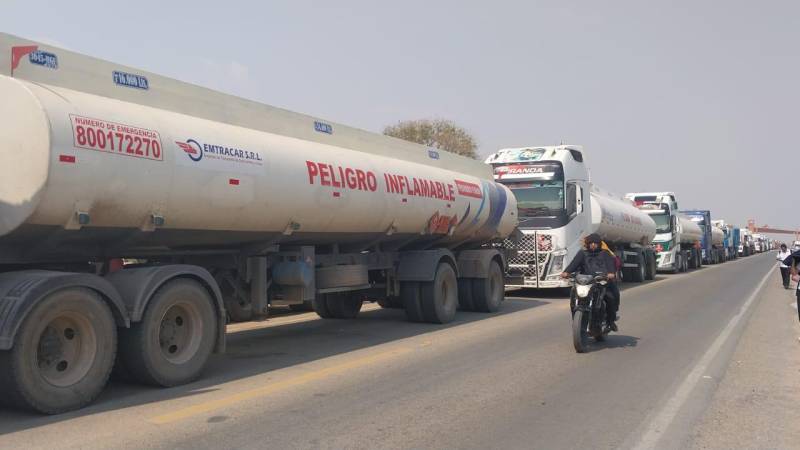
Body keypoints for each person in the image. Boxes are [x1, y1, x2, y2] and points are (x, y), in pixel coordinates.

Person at [560, 233, 620, 331]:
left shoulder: (605, 253)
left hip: (602, 282)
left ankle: (610, 321)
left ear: (599, 244)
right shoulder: (582, 253)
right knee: (573, 295)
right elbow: (574, 264)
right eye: (590, 243)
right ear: (587, 244)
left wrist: (611, 273)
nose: (593, 244)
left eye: (595, 243)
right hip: (586, 282)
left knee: (611, 298)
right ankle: (576, 320)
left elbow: (610, 265)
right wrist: (566, 272)